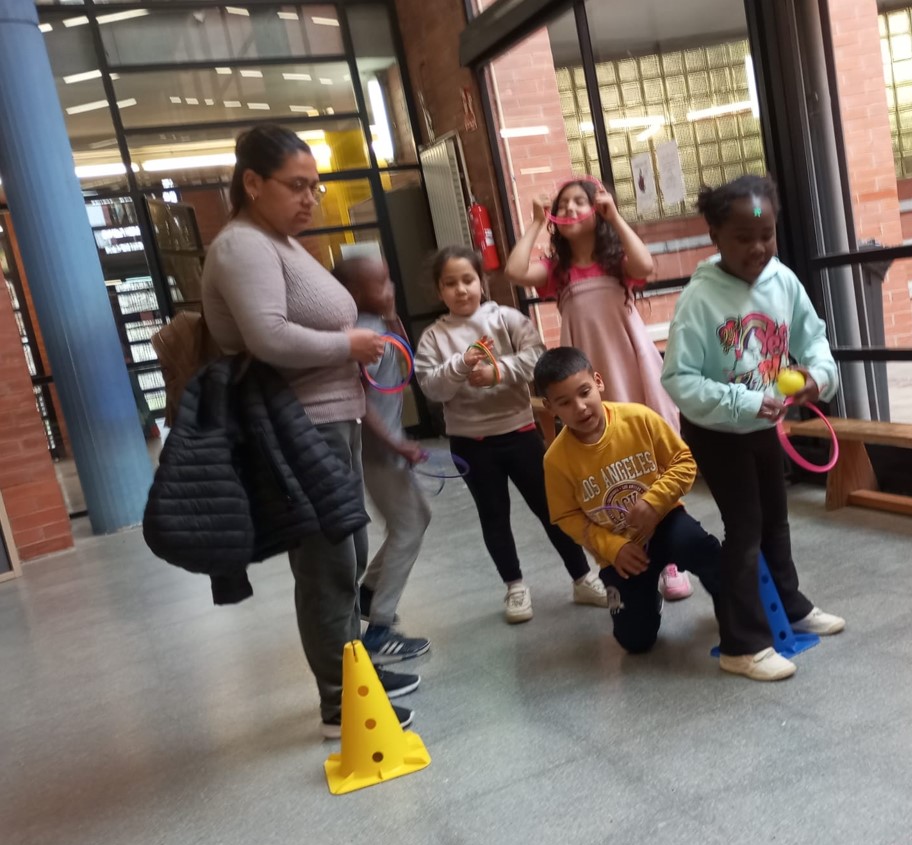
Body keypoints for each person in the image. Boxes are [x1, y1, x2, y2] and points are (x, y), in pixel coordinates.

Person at [201, 125, 419, 738]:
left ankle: (355, 674)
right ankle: (341, 703)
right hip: (298, 426)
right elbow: (268, 336)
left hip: (329, 418)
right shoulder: (243, 247)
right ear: (252, 183)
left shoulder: (280, 243)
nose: (310, 198)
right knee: (327, 564)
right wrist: (349, 344)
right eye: (296, 186)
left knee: (345, 554)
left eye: (315, 187)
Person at [660, 174, 846, 668]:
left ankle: (790, 605)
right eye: (744, 237)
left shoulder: (783, 281)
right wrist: (743, 402)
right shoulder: (699, 299)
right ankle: (741, 644)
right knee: (744, 530)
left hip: (764, 426)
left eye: (767, 234)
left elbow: (813, 339)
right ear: (715, 236)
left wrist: (817, 377)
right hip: (717, 433)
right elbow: (678, 379)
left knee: (775, 523)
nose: (758, 247)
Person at [536, 347, 796, 679]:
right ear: (550, 407)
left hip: (666, 521)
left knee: (708, 556)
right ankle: (648, 595)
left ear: (598, 382)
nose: (580, 407)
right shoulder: (556, 460)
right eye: (564, 402)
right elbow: (566, 517)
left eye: (584, 392)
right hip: (622, 552)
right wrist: (612, 548)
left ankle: (740, 625)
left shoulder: (638, 418)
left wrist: (655, 501)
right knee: (635, 641)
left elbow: (684, 462)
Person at [504, 178, 693, 602]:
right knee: (606, 471)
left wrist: (616, 216)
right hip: (584, 378)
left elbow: (645, 266)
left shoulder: (614, 261)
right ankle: (619, 558)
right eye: (562, 205)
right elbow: (515, 271)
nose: (570, 209)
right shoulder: (557, 272)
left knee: (646, 457)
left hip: (628, 364)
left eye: (580, 202)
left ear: (596, 210)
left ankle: (670, 561)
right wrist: (534, 222)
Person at [414, 246, 607, 623]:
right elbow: (431, 387)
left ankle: (582, 577)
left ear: (482, 282)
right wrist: (460, 365)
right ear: (439, 291)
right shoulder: (434, 337)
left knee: (551, 509)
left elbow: (537, 357)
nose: (461, 289)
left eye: (468, 280)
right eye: (450, 284)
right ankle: (514, 586)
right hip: (470, 443)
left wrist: (498, 371)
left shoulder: (506, 318)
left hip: (519, 433)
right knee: (493, 517)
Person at [332, 257, 433, 665]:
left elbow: (404, 352)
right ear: (357, 293)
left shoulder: (377, 324)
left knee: (417, 518)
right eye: (381, 283)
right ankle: (379, 628)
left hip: (387, 446)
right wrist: (396, 443)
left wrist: (391, 312)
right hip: (377, 451)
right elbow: (360, 402)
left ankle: (370, 592)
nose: (390, 287)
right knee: (409, 527)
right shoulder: (364, 334)